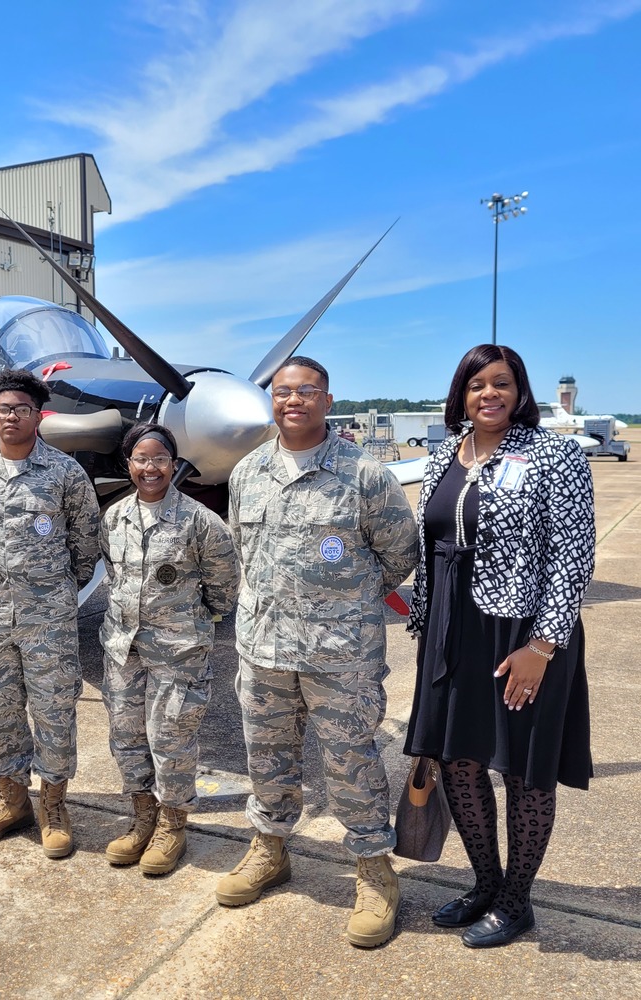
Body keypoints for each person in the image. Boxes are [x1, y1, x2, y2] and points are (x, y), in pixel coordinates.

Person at [216, 356, 418, 949]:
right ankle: (270, 849)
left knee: (350, 761)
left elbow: (400, 554)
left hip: (341, 654)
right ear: (271, 402)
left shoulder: (364, 474)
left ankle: (374, 869)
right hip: (261, 650)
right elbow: (242, 553)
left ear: (328, 400)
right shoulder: (247, 472)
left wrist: (347, 603)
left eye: (307, 391)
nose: (294, 401)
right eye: (282, 392)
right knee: (266, 755)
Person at [404, 344, 594, 948]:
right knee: (458, 760)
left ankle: (518, 901)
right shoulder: (442, 456)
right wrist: (425, 630)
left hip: (521, 630)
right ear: (460, 394)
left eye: (502, 383)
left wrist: (543, 644)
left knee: (523, 770)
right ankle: (486, 883)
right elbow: (431, 548)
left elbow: (572, 552)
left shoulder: (552, 455)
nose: (490, 394)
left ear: (521, 391)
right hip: (451, 629)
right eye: (477, 384)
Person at [0, 369, 101, 859]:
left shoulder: (65, 473)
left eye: (22, 408)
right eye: (4, 408)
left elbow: (87, 543)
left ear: (39, 416)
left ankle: (54, 804)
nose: (12, 416)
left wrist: (56, 589)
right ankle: (12, 800)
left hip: (49, 618)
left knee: (54, 709)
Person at [100, 423, 239, 875]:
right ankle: (142, 818)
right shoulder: (115, 517)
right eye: (141, 459)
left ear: (174, 465)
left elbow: (224, 586)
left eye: (160, 459)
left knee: (171, 739)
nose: (151, 467)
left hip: (178, 651)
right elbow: (112, 573)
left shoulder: (200, 521)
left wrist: (194, 623)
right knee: (127, 737)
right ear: (129, 465)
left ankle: (172, 826)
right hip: (124, 649)